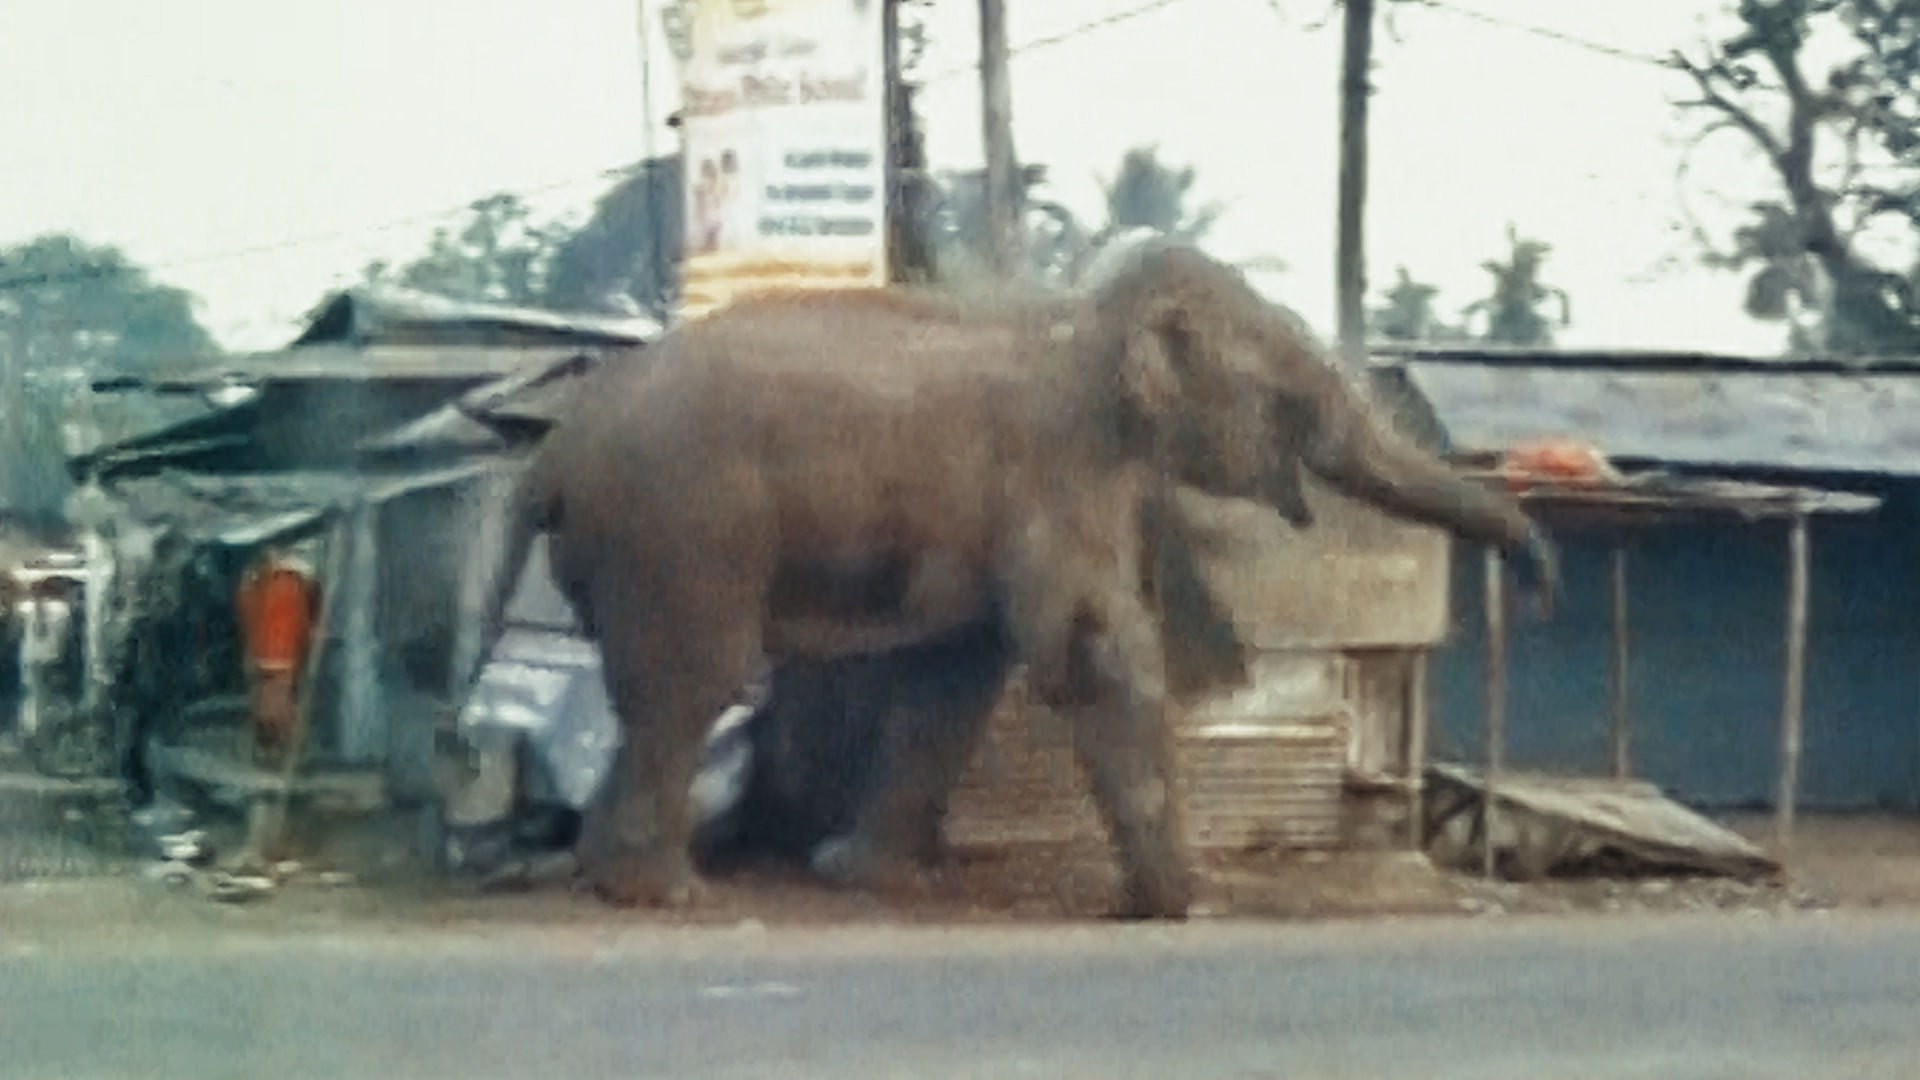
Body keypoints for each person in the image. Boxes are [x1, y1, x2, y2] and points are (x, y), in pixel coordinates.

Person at [232, 549, 319, 767]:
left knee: (272, 702)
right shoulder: (295, 581)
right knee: (277, 702)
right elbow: (305, 621)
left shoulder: (259, 582)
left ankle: (280, 748)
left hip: (270, 655)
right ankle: (284, 748)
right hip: (282, 656)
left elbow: (248, 616)